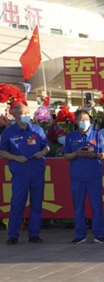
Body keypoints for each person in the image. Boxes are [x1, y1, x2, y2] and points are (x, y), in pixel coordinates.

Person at [0, 104, 49, 244]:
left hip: (37, 171)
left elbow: (46, 146)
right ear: (15, 115)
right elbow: (2, 151)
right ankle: (13, 234)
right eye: (22, 113)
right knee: (17, 203)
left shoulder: (37, 130)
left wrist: (43, 152)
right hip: (20, 173)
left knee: (37, 203)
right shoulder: (9, 133)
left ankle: (34, 233)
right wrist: (15, 157)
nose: (26, 115)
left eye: (28, 112)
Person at [62, 109, 104, 244]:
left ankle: (99, 233)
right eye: (81, 120)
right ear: (76, 121)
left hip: (94, 175)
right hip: (77, 176)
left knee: (97, 206)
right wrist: (76, 153)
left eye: (86, 119)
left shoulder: (97, 135)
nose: (84, 122)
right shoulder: (71, 137)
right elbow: (66, 156)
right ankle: (80, 234)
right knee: (78, 206)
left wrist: (94, 155)